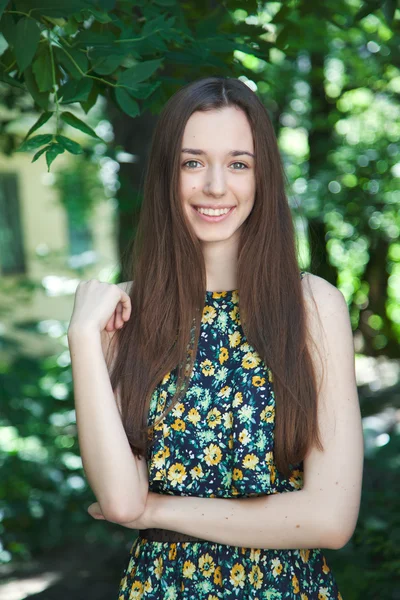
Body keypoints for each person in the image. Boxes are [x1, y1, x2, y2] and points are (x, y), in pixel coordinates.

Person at [67, 76, 364, 599]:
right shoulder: (122, 315)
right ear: (167, 175)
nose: (215, 186)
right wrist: (81, 338)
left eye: (238, 163)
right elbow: (118, 500)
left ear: (262, 177)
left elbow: (330, 518)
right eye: (192, 162)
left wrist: (157, 510)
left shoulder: (313, 306)